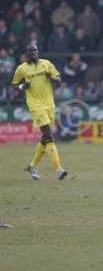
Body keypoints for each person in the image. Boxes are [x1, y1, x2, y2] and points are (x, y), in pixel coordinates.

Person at [11, 42, 68, 181]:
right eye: (31, 51)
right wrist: (23, 86)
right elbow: (14, 85)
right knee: (49, 136)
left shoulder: (46, 64)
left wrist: (52, 78)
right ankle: (59, 169)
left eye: (36, 50)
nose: (34, 53)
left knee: (44, 138)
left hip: (49, 104)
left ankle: (33, 165)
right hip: (35, 105)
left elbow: (59, 79)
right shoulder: (22, 69)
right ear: (27, 54)